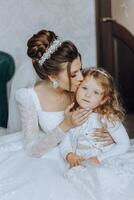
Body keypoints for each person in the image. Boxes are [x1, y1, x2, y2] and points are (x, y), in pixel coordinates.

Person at [0, 30, 113, 200]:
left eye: (80, 69)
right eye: (73, 74)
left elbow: (102, 114)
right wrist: (66, 125)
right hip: (48, 156)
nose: (81, 78)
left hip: (86, 150)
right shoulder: (28, 97)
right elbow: (32, 150)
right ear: (52, 76)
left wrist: (108, 132)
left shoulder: (81, 88)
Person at [59, 67, 134, 200]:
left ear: (104, 99)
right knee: (77, 187)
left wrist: (99, 159)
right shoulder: (71, 115)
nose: (88, 95)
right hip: (82, 162)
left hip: (107, 158)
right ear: (77, 88)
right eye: (84, 88)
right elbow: (64, 141)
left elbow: (124, 144)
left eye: (95, 92)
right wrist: (69, 155)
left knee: (108, 182)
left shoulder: (106, 117)